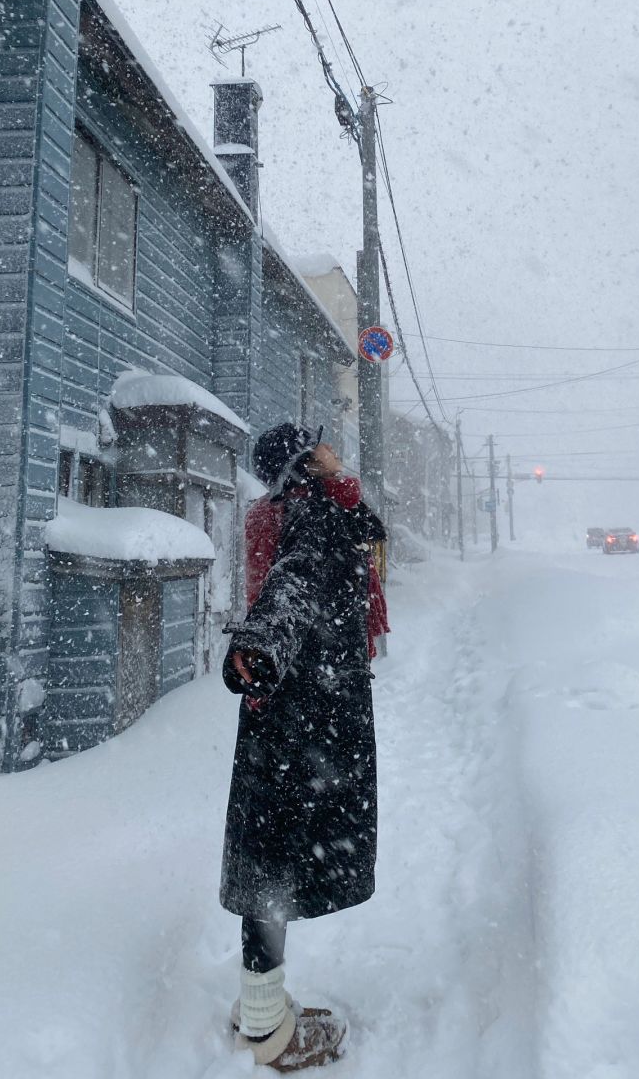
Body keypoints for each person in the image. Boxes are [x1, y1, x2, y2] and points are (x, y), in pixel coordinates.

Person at [220, 423, 386, 1070]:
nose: (334, 448)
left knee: (269, 858)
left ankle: (259, 1008)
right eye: (321, 445)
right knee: (274, 864)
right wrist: (263, 645)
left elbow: (359, 530)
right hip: (305, 714)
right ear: (304, 461)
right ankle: (267, 1033)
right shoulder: (315, 511)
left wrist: (266, 652)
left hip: (289, 710)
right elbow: (295, 582)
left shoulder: (297, 507)